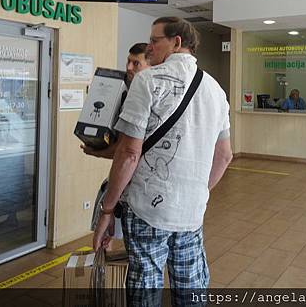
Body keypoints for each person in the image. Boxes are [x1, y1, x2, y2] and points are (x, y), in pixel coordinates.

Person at [92, 17, 232, 305]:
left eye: (155, 40)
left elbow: (130, 154)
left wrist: (107, 208)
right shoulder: (216, 90)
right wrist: (198, 192)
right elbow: (225, 156)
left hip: (146, 212)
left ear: (176, 42)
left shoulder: (147, 80)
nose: (150, 46)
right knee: (190, 285)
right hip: (191, 213)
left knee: (146, 285)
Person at [81, 42, 150, 159]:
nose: (129, 67)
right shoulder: (124, 89)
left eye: (136, 63)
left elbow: (128, 149)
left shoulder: (144, 98)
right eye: (128, 61)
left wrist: (96, 153)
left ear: (151, 66)